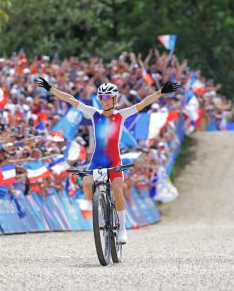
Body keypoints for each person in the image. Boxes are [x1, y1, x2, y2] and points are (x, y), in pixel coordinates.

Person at [37, 77, 179, 244]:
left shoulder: (121, 115)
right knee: (87, 184)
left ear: (114, 99)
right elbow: (71, 99)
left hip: (114, 160)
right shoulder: (94, 114)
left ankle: (122, 229)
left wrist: (160, 92)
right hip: (97, 160)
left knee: (118, 190)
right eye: (101, 97)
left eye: (106, 97)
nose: (103, 101)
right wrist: (50, 89)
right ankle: (98, 210)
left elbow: (143, 103)